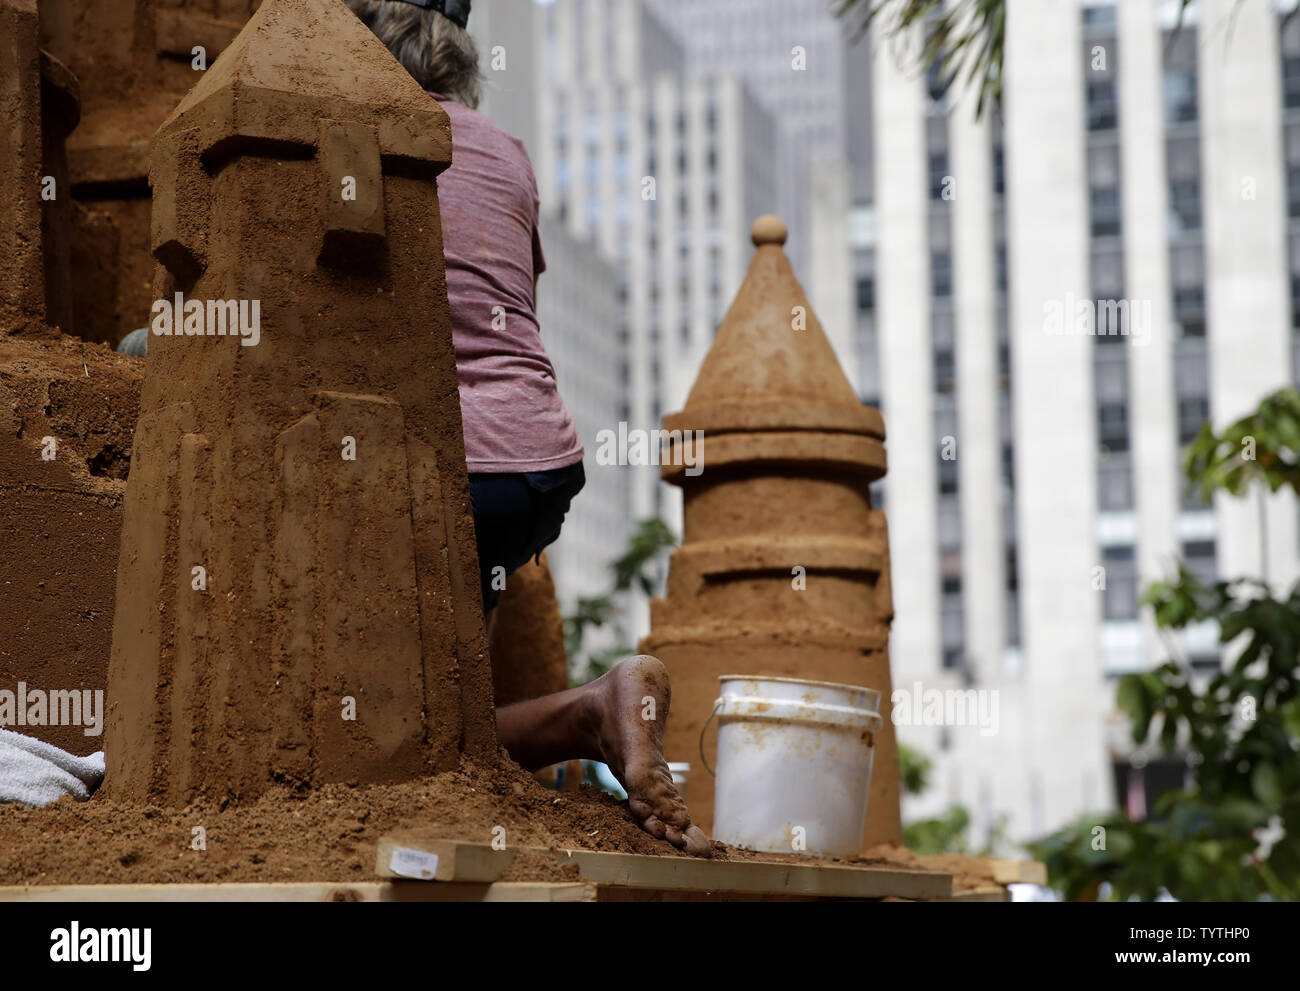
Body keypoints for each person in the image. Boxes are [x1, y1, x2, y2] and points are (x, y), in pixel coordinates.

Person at [344, 0, 708, 855]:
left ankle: (583, 712)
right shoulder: (507, 152)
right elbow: (509, 308)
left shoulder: (357, 128)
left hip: (442, 462)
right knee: (451, 718)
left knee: (382, 739)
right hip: (539, 458)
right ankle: (594, 706)